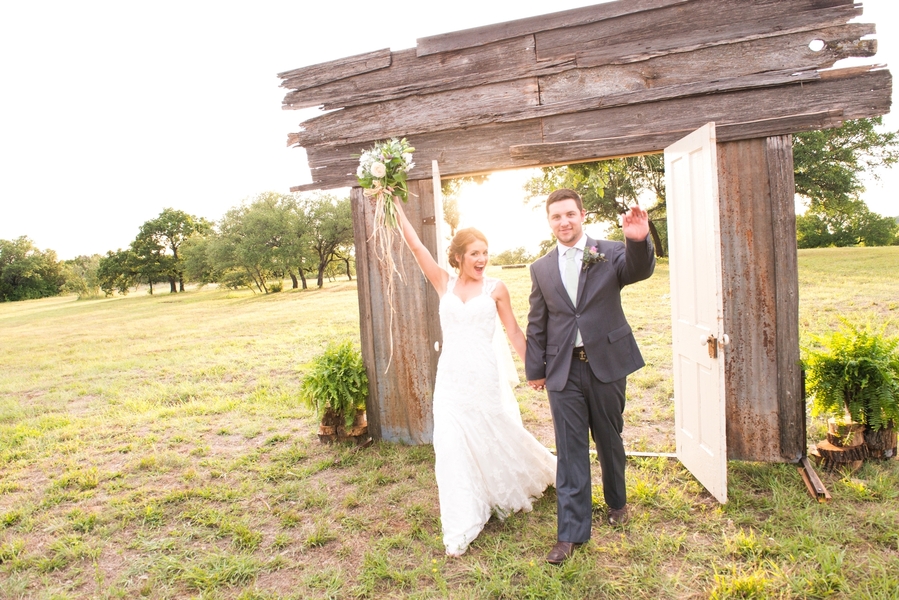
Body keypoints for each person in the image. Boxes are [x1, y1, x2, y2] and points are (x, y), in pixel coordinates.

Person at [394, 201, 556, 557]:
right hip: (450, 381)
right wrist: (393, 206)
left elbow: (513, 330)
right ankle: (462, 518)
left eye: (485, 253)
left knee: (494, 432)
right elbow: (416, 246)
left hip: (484, 376)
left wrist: (535, 370)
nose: (482, 260)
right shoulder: (443, 283)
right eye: (474, 254)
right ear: (458, 257)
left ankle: (525, 476)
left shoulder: (496, 288)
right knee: (450, 446)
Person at [525, 188, 655, 565]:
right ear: (549, 222)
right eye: (556, 217)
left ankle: (617, 502)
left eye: (569, 214)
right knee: (569, 450)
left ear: (582, 215)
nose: (563, 221)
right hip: (563, 370)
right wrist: (536, 369)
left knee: (609, 438)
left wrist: (638, 241)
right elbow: (538, 322)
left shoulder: (612, 251)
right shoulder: (541, 268)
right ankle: (570, 533)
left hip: (607, 363)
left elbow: (638, 270)